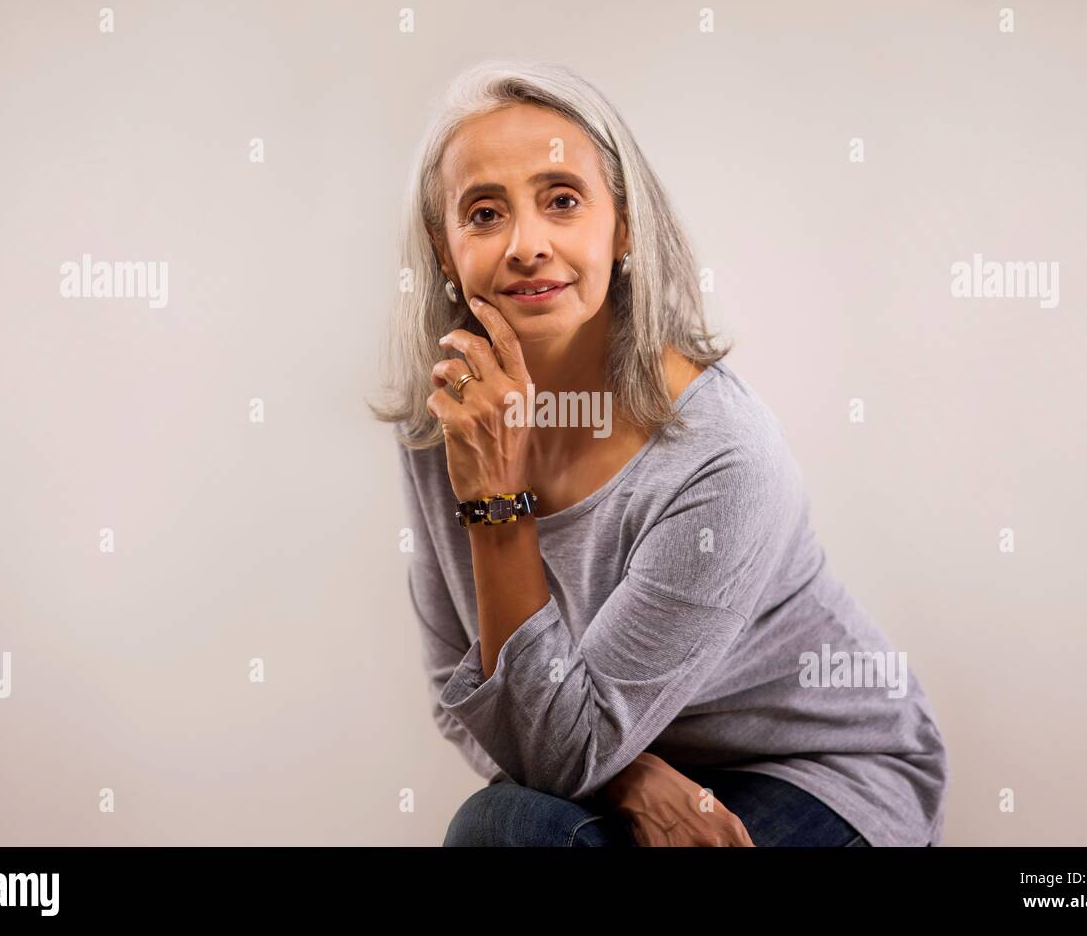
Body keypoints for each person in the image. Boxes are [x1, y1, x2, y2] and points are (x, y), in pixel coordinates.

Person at [370, 60, 947, 846]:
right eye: (483, 213)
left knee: (506, 830)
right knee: (505, 823)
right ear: (444, 248)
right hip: (623, 749)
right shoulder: (455, 420)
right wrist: (632, 774)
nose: (526, 245)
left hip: (816, 767)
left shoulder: (722, 458)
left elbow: (555, 743)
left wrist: (496, 503)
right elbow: (462, 692)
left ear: (624, 224)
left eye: (562, 201)